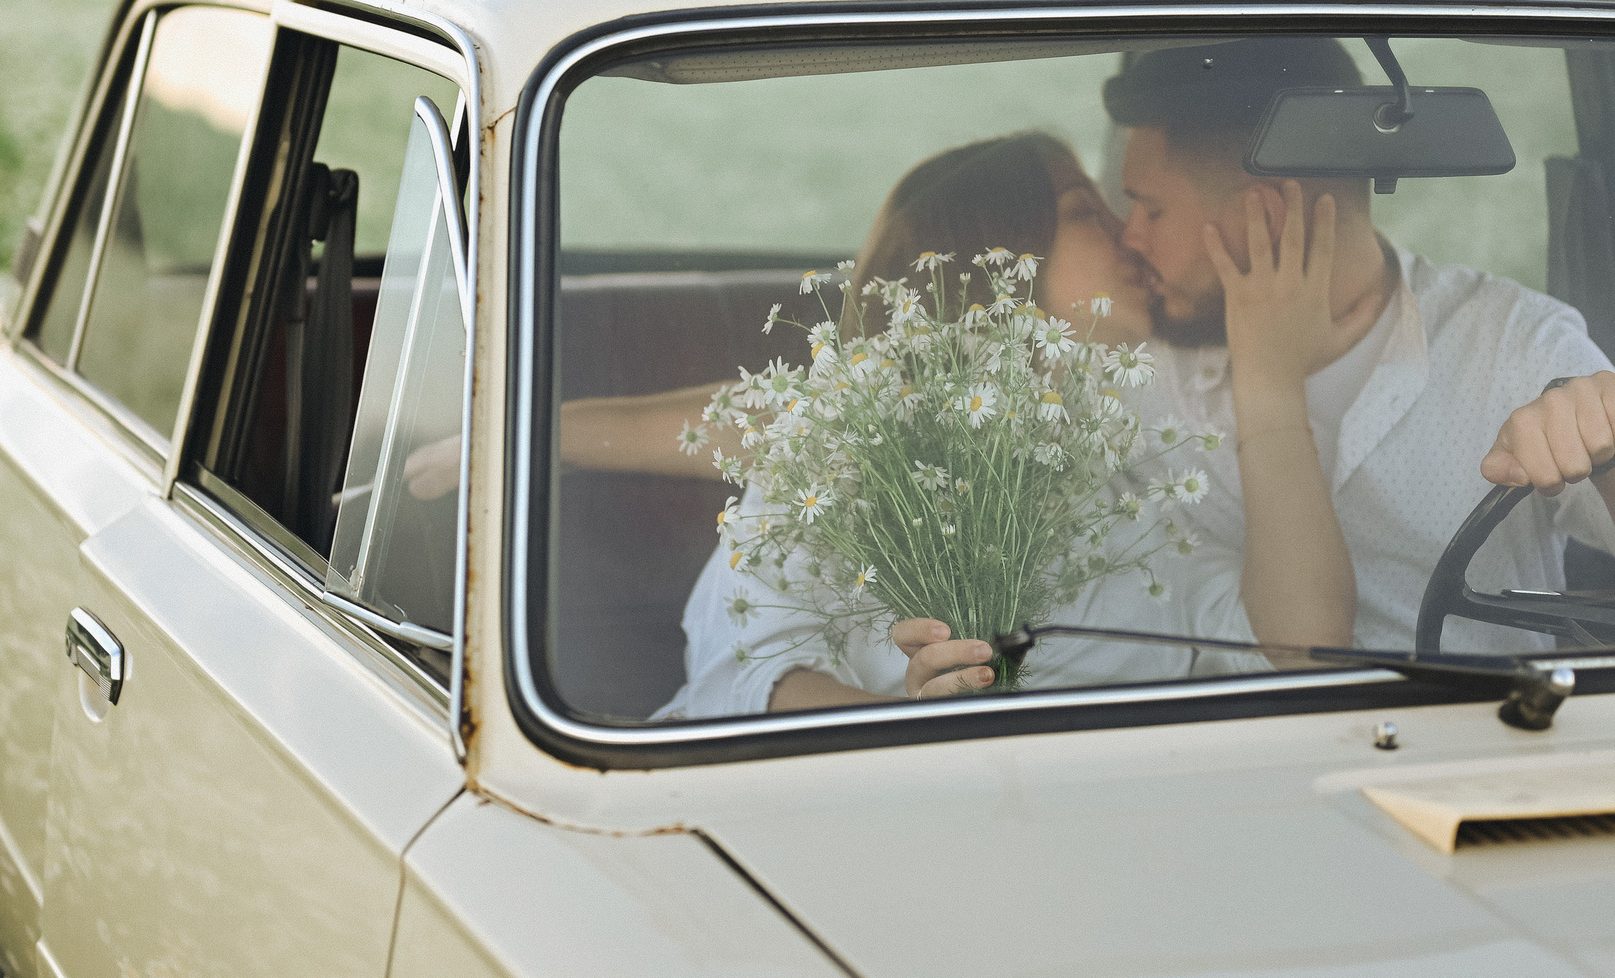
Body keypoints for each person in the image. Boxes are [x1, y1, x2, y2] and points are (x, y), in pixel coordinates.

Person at [517, 131, 1363, 717]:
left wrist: (1269, 375)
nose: (1130, 234)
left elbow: (1297, 645)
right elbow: (753, 679)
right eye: (1084, 210)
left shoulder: (1140, 489)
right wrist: (921, 732)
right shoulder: (851, 463)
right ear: (996, 260)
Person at [1086, 36, 1615, 675]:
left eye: (1149, 209)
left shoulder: (1506, 343)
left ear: (1266, 218)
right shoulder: (1143, 382)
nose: (1130, 238)